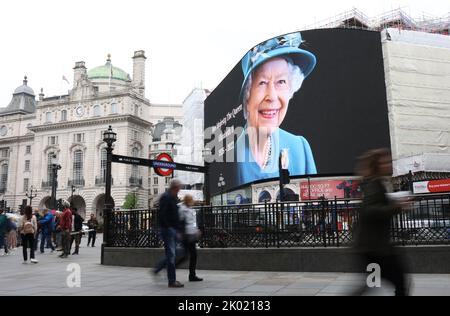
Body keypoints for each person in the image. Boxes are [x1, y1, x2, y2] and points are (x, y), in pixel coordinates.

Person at [235, 32, 317, 186]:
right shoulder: (231, 155)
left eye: (281, 82)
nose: (272, 96)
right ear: (247, 97)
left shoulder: (300, 148)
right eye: (262, 82)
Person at [352, 148, 410, 296]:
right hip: (373, 249)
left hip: (373, 247)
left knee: (373, 284)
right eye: (385, 162)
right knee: (397, 282)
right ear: (377, 166)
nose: (389, 164)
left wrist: (392, 204)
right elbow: (370, 211)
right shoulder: (374, 185)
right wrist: (396, 207)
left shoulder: (376, 183)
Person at [153, 179, 184, 288]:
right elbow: (163, 215)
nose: (180, 189)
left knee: (174, 254)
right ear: (175, 187)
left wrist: (178, 229)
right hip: (168, 230)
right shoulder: (166, 197)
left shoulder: (172, 197)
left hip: (172, 230)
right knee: (171, 255)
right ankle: (172, 281)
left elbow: (174, 215)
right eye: (179, 186)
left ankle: (158, 269)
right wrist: (170, 228)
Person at [176, 195, 203, 282]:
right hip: (186, 235)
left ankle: (192, 275)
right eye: (191, 200)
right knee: (187, 255)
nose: (193, 201)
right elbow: (181, 222)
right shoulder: (182, 209)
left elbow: (192, 222)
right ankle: (171, 269)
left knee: (191, 255)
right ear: (188, 201)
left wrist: (196, 230)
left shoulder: (190, 209)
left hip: (191, 234)